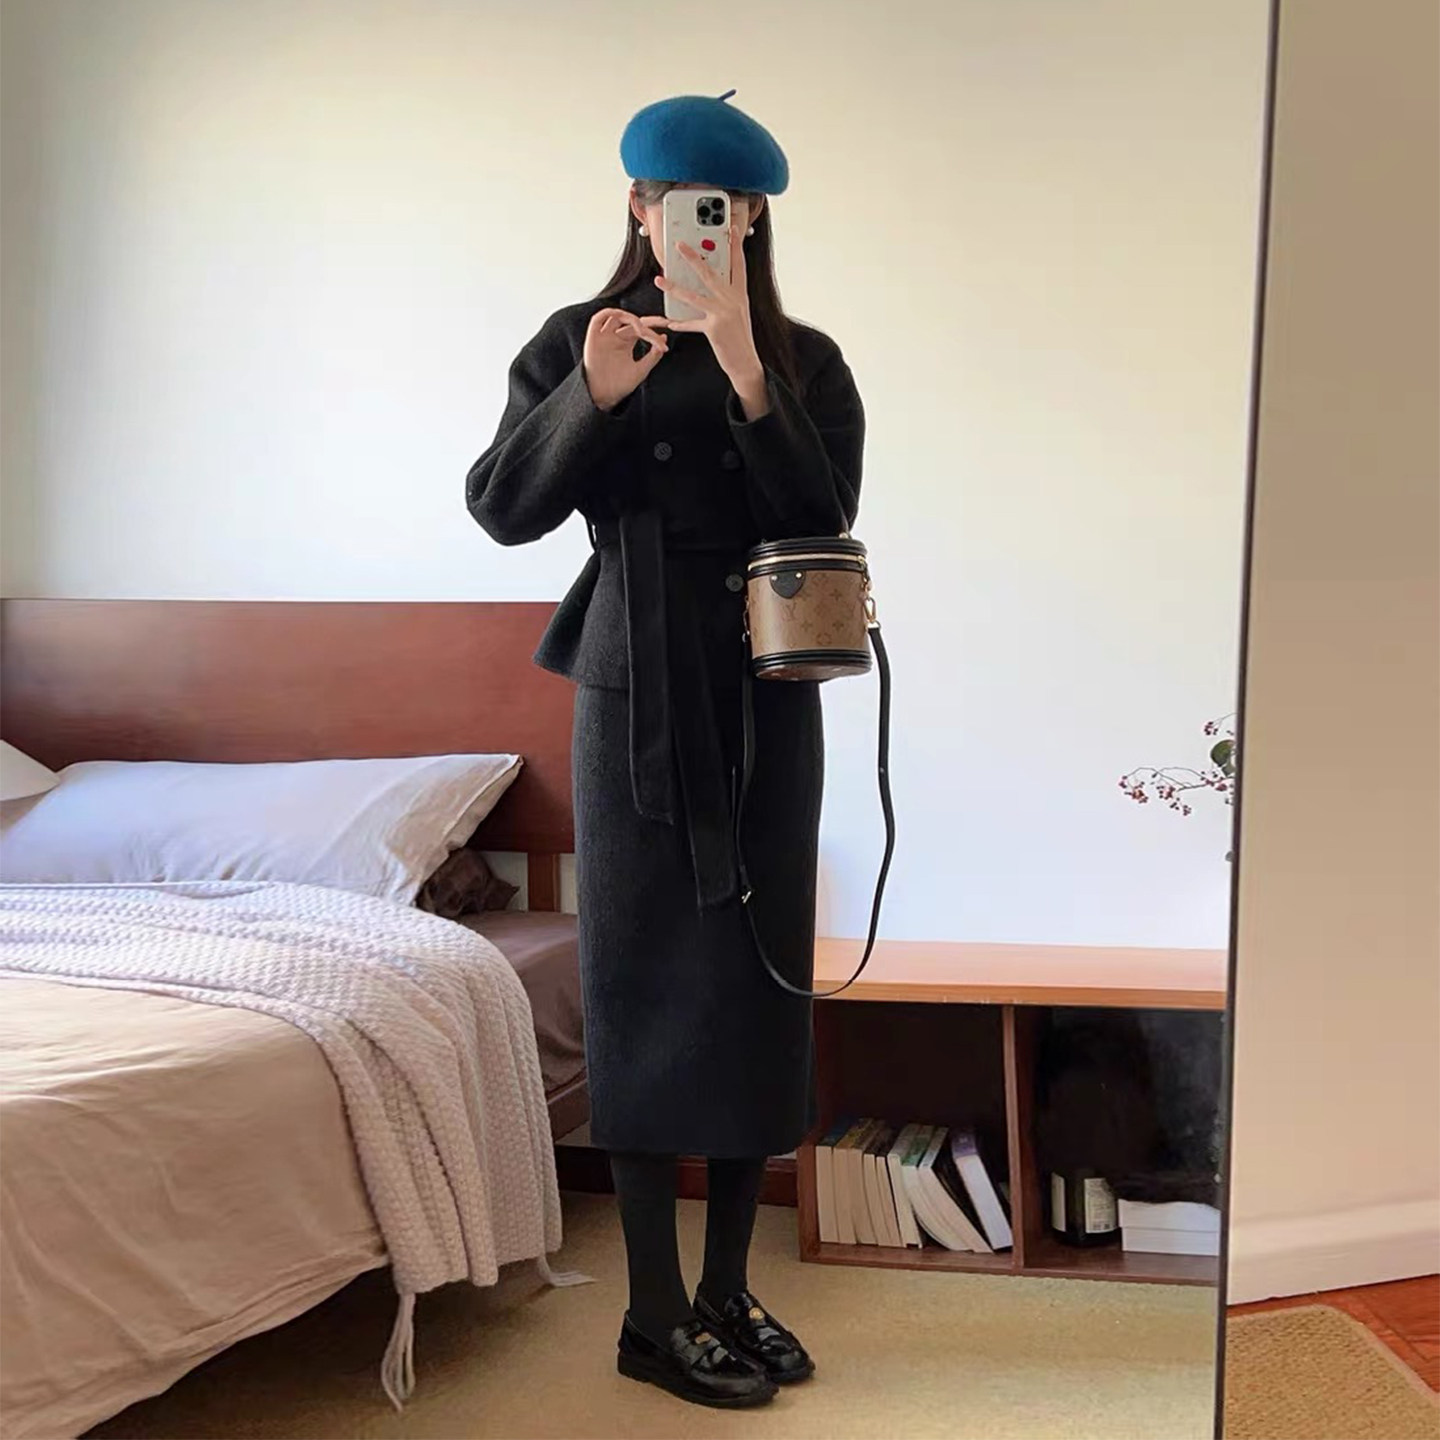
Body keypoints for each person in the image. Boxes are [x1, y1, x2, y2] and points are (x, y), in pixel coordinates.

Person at [465, 90, 865, 1409]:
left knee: (758, 980)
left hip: (765, 686)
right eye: (677, 202)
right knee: (639, 983)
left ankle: (726, 1287)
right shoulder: (576, 341)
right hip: (633, 686)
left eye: (725, 209)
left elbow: (824, 521)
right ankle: (650, 1310)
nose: (699, 224)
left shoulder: (803, 359)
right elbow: (502, 508)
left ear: (749, 223)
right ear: (637, 209)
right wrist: (593, 395)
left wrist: (746, 368)